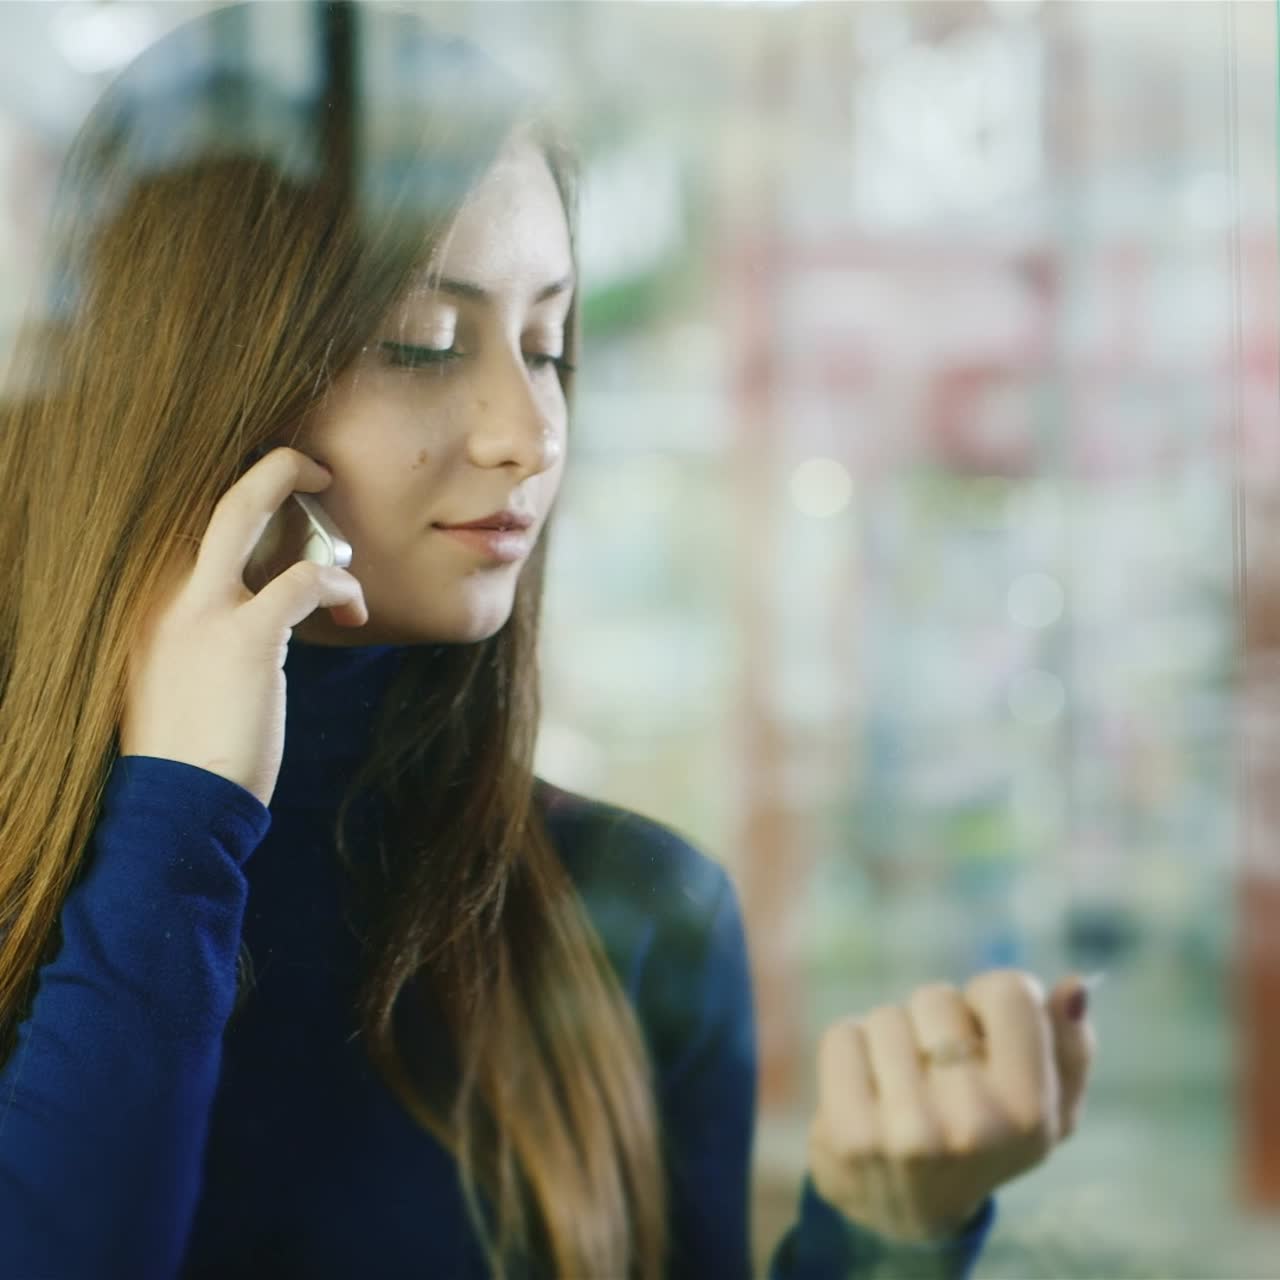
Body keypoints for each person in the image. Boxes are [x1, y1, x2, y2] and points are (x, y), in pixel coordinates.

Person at [0, 4, 1096, 1278]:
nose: (528, 429)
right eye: (423, 338)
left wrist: (887, 1230)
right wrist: (178, 817)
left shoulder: (627, 911)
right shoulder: (63, 869)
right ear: (193, 370)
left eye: (547, 341)